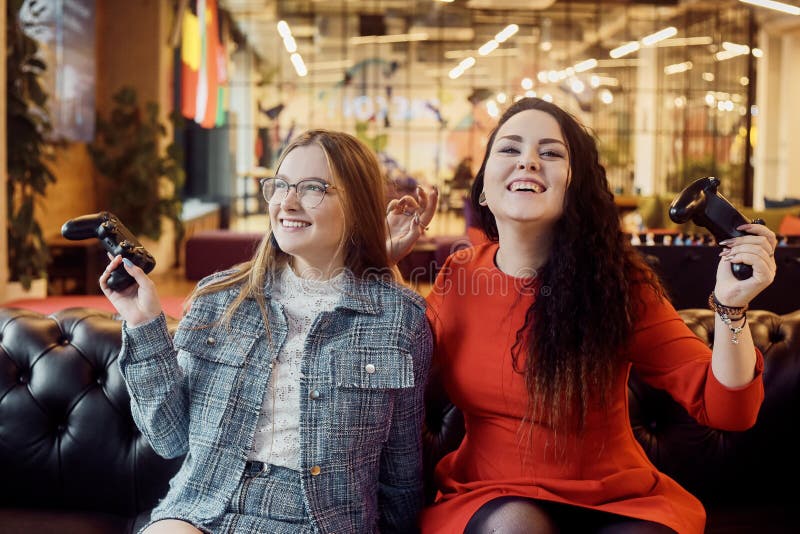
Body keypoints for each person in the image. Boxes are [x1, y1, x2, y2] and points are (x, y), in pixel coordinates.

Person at [420, 97, 777, 534]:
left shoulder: (619, 284)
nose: (528, 162)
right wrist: (379, 265)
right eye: (509, 149)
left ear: (575, 185)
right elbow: (393, 371)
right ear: (483, 188)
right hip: (490, 495)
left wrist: (732, 307)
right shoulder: (459, 275)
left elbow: (728, 411)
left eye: (550, 153)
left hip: (618, 500)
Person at [100, 129, 435, 533]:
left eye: (313, 188)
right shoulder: (220, 297)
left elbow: (400, 474)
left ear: (358, 204)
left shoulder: (399, 318)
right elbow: (168, 438)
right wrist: (142, 324)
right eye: (280, 185)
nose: (288, 202)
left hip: (318, 522)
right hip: (202, 508)